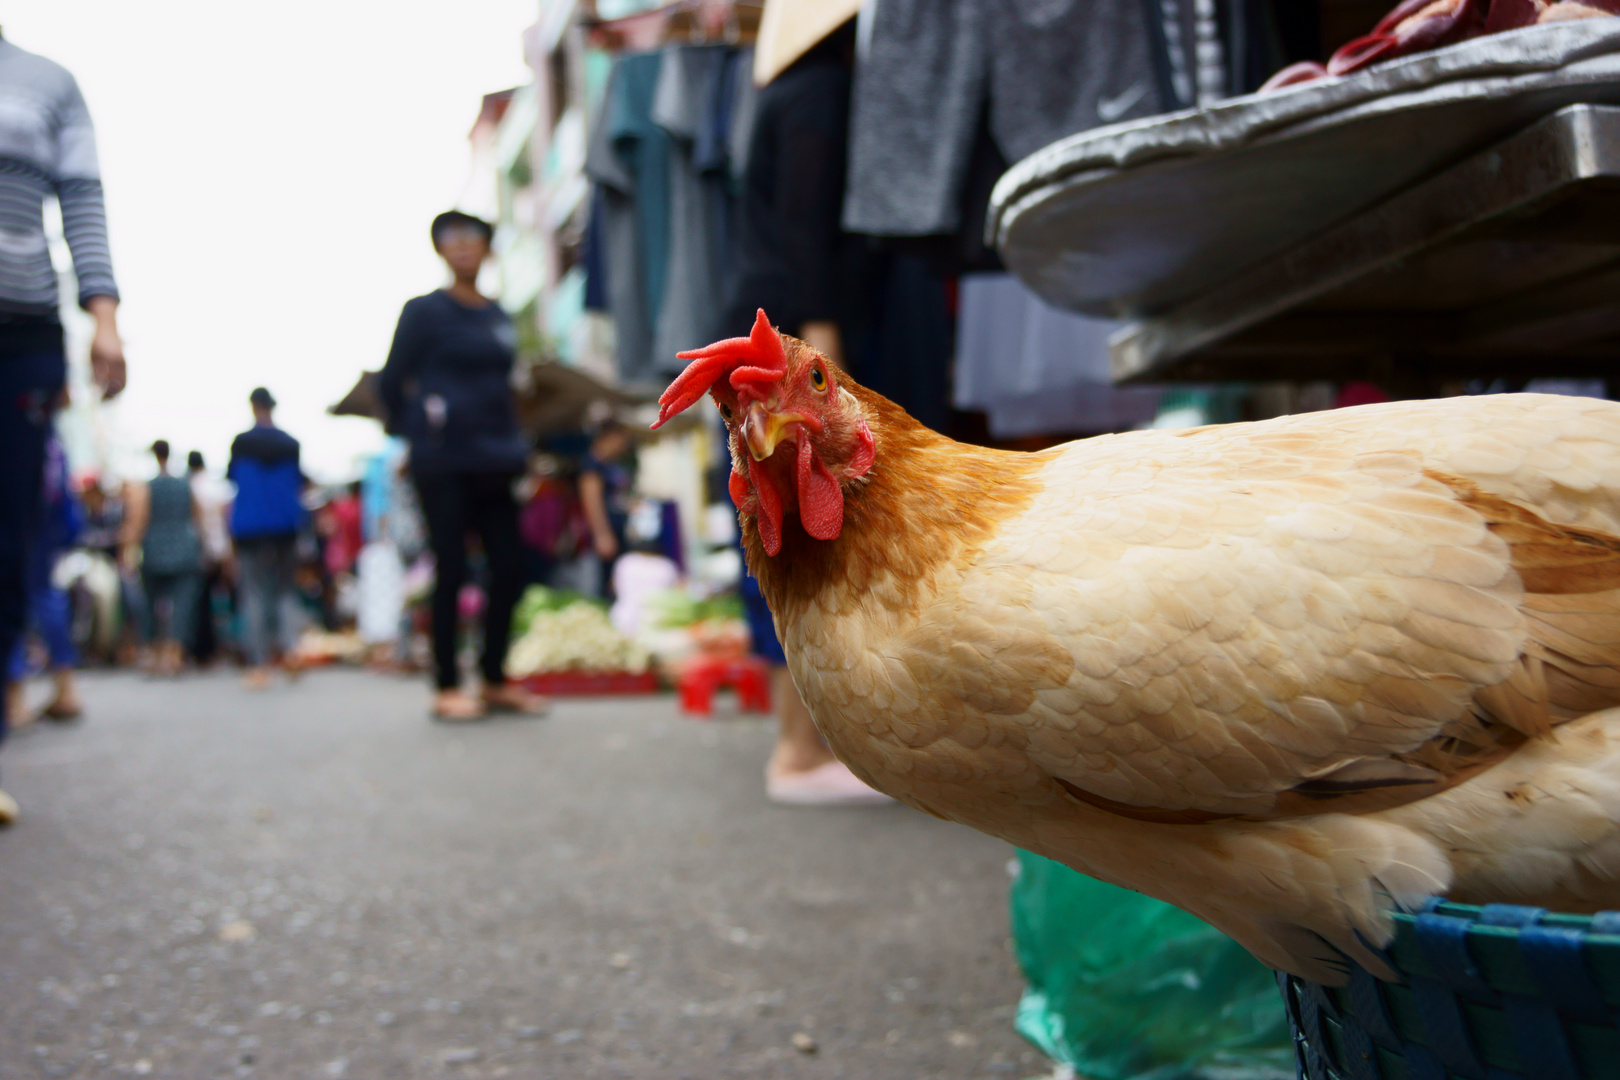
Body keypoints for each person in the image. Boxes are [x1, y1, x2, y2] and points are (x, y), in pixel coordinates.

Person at [0, 34, 125, 824]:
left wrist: (104, 317)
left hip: (22, 333)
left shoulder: (48, 83)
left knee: (10, 542)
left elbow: (82, 199)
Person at [379, 211, 546, 721]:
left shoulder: (499, 315)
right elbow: (390, 382)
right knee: (451, 569)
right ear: (440, 250)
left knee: (511, 568)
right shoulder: (423, 311)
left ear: (487, 248)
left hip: (498, 460)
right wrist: (414, 435)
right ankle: (447, 685)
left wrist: (523, 446)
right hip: (443, 461)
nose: (463, 246)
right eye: (451, 238)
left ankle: (493, 677)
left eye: (473, 237)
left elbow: (508, 387)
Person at [228, 387, 307, 689]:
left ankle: (259, 663)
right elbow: (297, 483)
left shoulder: (241, 443)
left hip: (250, 526)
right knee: (287, 590)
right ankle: (291, 651)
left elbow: (234, 480)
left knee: (255, 592)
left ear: (252, 407)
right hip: (286, 524)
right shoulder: (291, 443)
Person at [6, 429, 84, 726]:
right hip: (45, 513)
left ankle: (13, 696)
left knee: (12, 595)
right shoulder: (49, 430)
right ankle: (66, 686)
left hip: (21, 505)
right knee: (43, 594)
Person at [123, 441, 202, 676]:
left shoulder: (146, 487)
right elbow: (197, 518)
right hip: (185, 550)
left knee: (149, 604)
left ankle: (153, 654)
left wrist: (128, 550)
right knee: (183, 604)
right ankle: (174, 654)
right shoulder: (185, 485)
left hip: (154, 550)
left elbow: (138, 518)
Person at [578, 420, 634, 600]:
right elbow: (591, 500)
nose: (623, 446)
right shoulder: (592, 464)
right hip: (604, 535)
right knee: (604, 585)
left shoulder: (608, 463)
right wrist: (601, 534)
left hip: (615, 531)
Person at [187, 450, 233, 665]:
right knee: (225, 600)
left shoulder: (188, 486)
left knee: (200, 602)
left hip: (196, 552)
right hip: (218, 549)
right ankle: (221, 647)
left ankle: (201, 650)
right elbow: (223, 522)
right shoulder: (215, 487)